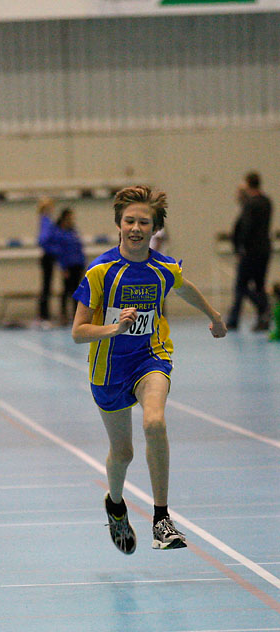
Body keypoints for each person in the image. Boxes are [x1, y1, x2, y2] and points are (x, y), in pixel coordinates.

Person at [71, 186, 226, 554]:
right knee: (122, 453)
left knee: (154, 422)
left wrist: (215, 316)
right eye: (129, 221)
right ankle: (115, 504)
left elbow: (183, 288)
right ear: (119, 224)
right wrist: (114, 329)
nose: (136, 228)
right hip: (109, 369)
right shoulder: (101, 272)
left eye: (144, 222)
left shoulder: (163, 268)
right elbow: (78, 332)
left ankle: (161, 519)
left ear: (155, 228)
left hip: (150, 357)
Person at [226, 172, 273, 331]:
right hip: (264, 249)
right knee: (259, 285)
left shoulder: (250, 204)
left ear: (247, 184)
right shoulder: (267, 202)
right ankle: (262, 319)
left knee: (241, 285)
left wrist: (240, 248)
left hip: (250, 251)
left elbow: (245, 228)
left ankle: (264, 307)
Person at [50, 208, 86, 325]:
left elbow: (79, 248)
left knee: (77, 291)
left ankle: (76, 315)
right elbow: (60, 252)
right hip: (68, 266)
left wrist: (83, 263)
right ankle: (63, 315)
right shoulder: (59, 233)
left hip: (77, 265)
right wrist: (63, 267)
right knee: (66, 291)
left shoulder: (73, 231)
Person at [36, 198, 58, 325]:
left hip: (50, 256)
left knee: (47, 286)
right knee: (46, 287)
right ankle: (43, 316)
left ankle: (44, 315)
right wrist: (54, 249)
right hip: (48, 256)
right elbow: (43, 240)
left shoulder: (46, 220)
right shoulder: (46, 221)